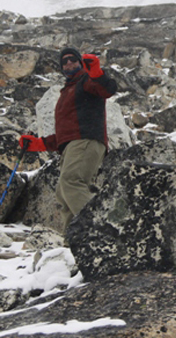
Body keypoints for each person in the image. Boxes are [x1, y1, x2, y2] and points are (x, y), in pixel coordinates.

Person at [19, 47, 117, 232]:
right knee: (64, 194)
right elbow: (67, 134)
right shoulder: (68, 90)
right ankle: (74, 243)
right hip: (74, 145)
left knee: (71, 182)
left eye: (72, 59)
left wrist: (95, 70)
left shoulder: (86, 81)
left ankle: (100, 230)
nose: (68, 63)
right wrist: (38, 144)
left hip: (86, 141)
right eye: (64, 61)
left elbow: (107, 89)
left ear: (80, 61)